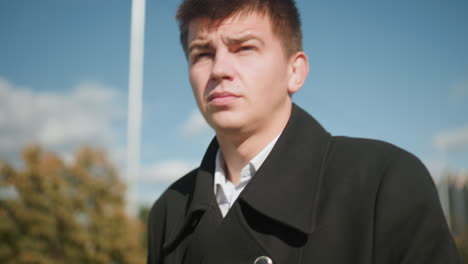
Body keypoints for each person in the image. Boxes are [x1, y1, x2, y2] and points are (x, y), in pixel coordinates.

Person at [147, 0, 460, 263]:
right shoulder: (170, 210)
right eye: (202, 53)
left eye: (243, 47)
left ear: (294, 71)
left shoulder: (385, 182)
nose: (218, 69)